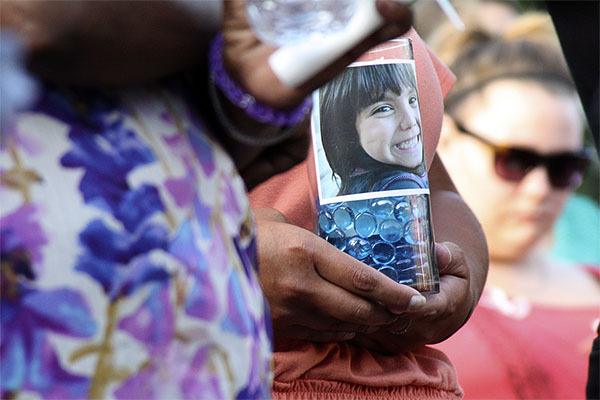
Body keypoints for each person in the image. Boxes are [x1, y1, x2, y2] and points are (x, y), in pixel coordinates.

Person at [0, 0, 418, 398]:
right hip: (52, 326)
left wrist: (240, 98)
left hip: (197, 345)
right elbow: (47, 18)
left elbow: (185, 155)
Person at [248, 26, 489, 399]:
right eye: (383, 108)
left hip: (406, 384)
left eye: (412, 102)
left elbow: (435, 186)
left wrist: (458, 281)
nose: (409, 119)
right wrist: (232, 262)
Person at [431, 14, 600, 399]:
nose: (540, 189)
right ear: (444, 140)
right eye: (515, 161)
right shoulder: (401, 294)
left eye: (564, 167)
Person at [319, 62, 427, 195]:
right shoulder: (403, 187)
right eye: (384, 109)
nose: (410, 122)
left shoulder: (357, 183)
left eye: (412, 99)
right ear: (349, 132)